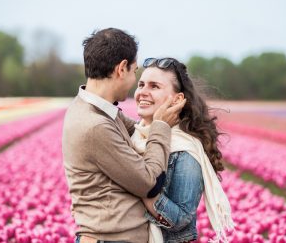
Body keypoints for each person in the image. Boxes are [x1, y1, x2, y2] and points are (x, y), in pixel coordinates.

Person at [62, 29, 186, 243]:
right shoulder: (95, 125)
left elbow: (136, 128)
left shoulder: (96, 109)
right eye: (134, 72)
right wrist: (161, 125)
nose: (134, 83)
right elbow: (150, 183)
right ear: (121, 68)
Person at [131, 58, 234, 243]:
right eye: (141, 84)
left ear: (178, 99)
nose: (143, 92)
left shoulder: (183, 150)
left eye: (154, 86)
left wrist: (140, 186)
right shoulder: (133, 137)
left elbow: (182, 219)